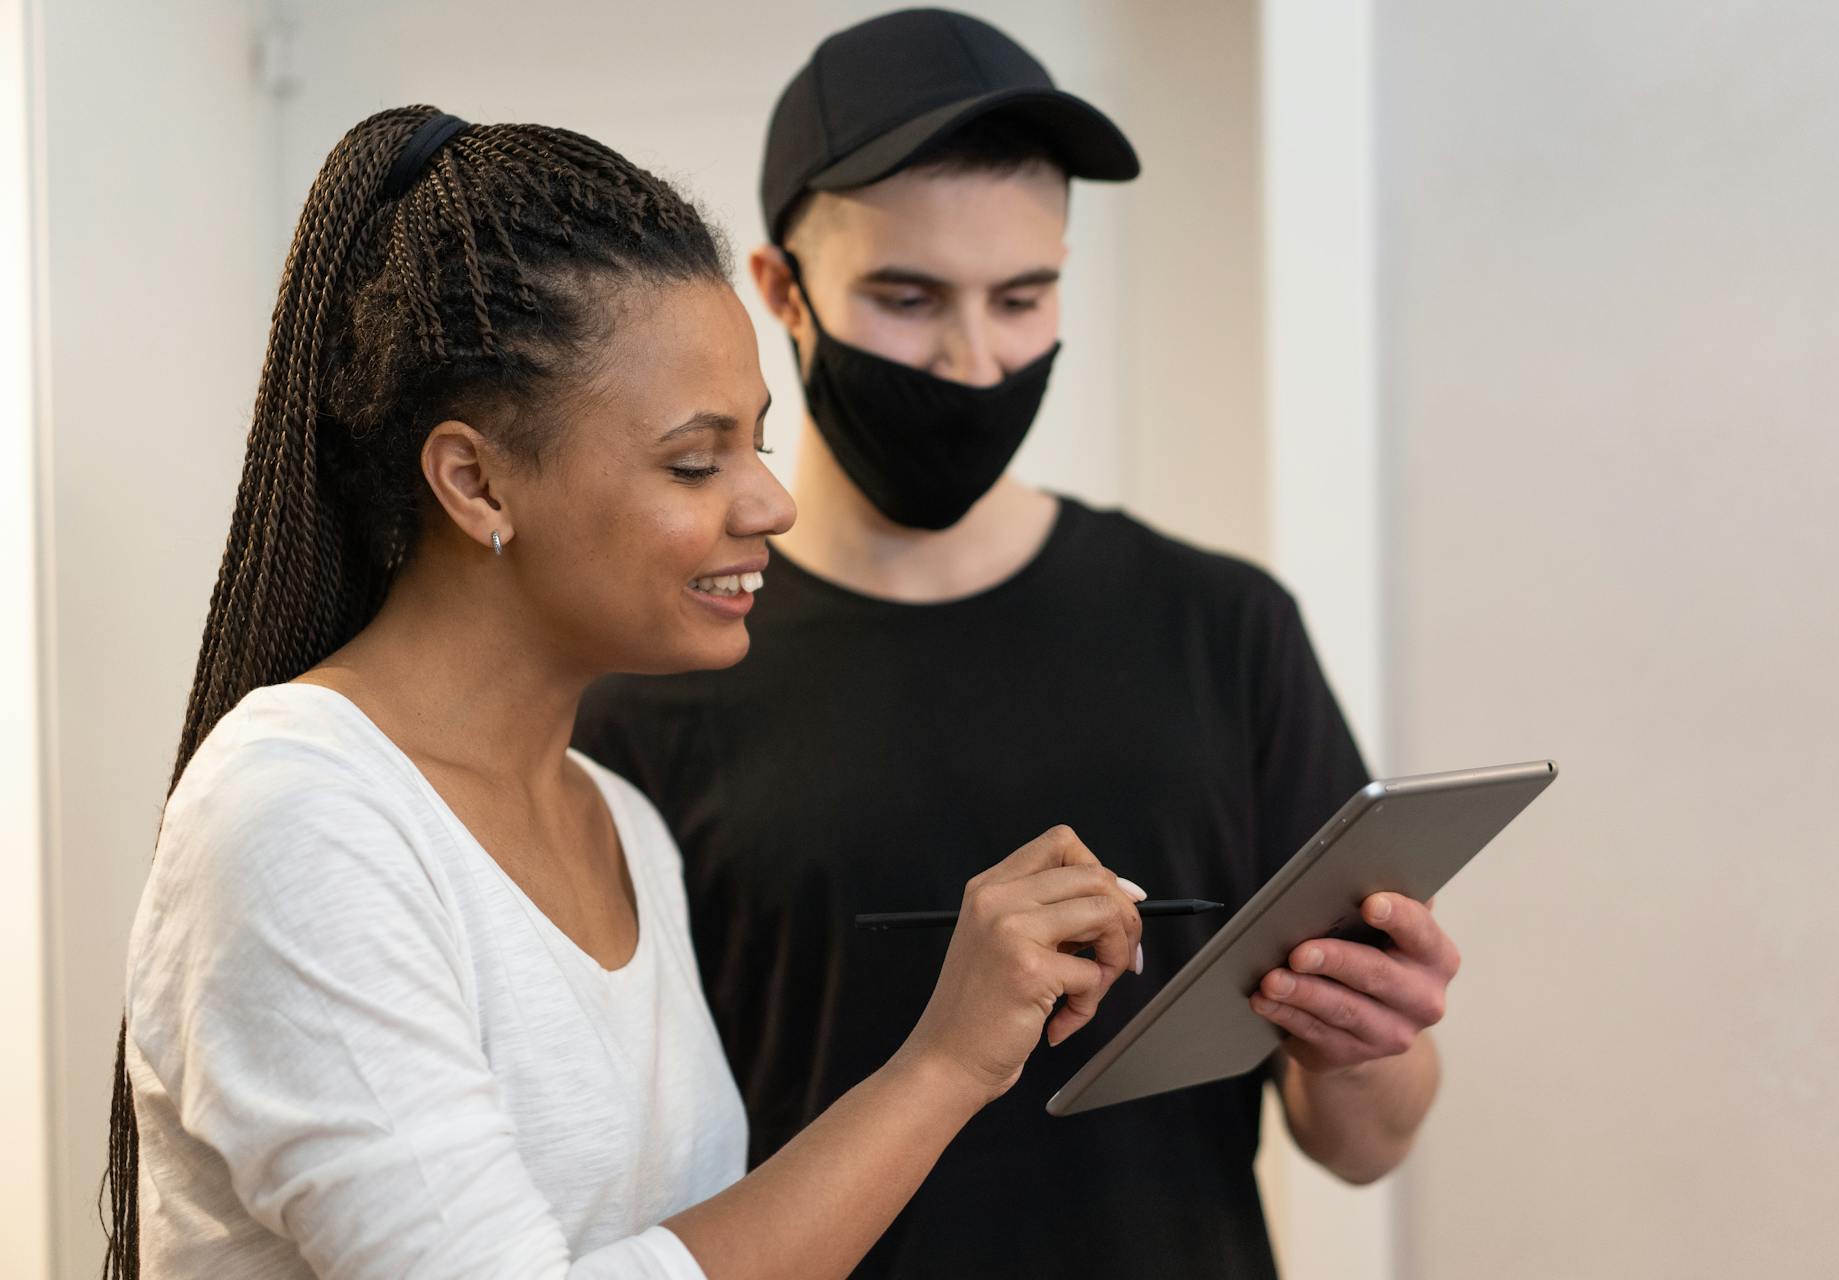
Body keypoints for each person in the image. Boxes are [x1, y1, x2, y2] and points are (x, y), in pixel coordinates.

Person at [106, 105, 1146, 1280]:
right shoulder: (301, 819)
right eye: (696, 462)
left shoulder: (623, 825)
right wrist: (943, 1067)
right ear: (475, 479)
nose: (769, 504)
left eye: (756, 443)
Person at [574, 11, 1462, 1278]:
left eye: (1022, 297)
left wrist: (1363, 1037)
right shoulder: (651, 676)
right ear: (781, 292)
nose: (975, 360)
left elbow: (1361, 1143)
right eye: (906, 296)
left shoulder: (1223, 629)